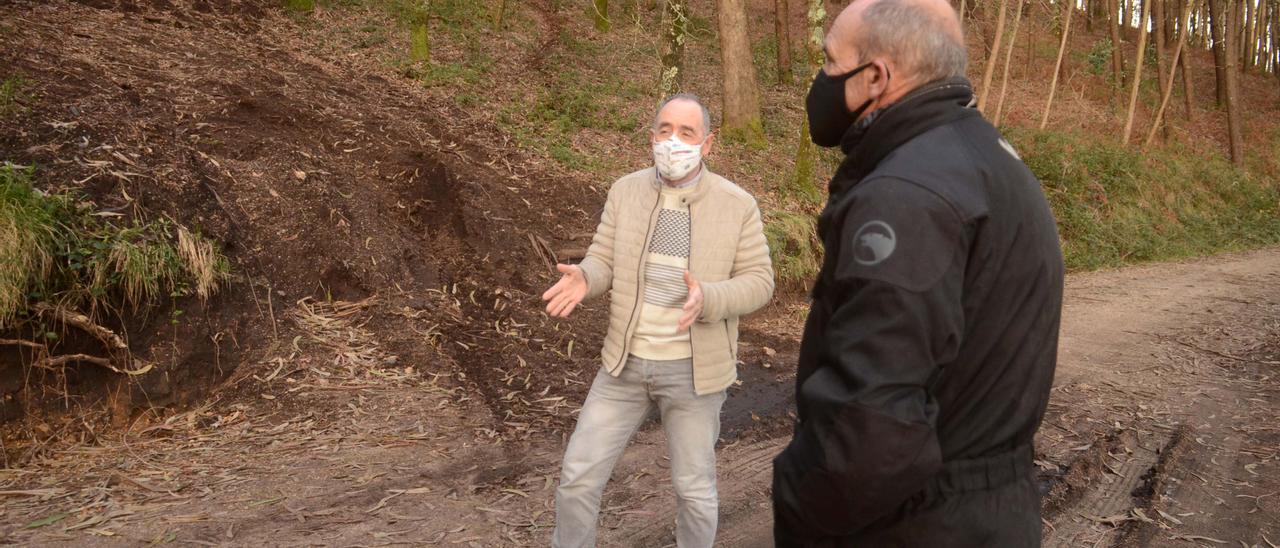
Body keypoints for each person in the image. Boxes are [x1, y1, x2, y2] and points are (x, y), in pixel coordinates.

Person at [771, 0, 1064, 544]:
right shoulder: (987, 158)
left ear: (875, 77)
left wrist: (797, 505)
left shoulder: (907, 195)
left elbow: (871, 429)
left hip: (919, 523)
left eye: (831, 62)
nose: (821, 80)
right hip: (988, 511)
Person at [543, 93, 774, 547]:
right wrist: (586, 277)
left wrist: (709, 297)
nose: (674, 141)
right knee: (577, 479)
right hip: (623, 365)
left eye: (687, 133)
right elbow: (603, 259)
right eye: (665, 130)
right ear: (651, 137)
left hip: (694, 373)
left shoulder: (737, 204)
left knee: (694, 492)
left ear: (708, 144)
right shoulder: (625, 191)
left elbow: (760, 281)